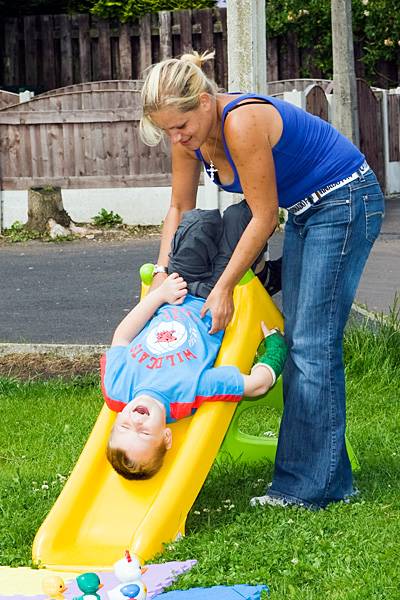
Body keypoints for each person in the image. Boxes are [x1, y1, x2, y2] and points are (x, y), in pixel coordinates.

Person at [139, 51, 385, 508]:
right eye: (167, 129)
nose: (177, 137)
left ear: (206, 101)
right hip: (306, 210)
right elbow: (180, 208)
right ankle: (329, 479)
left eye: (181, 126)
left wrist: (223, 287)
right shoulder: (186, 136)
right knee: (301, 341)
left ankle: (306, 490)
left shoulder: (241, 121)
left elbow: (265, 215)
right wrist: (163, 276)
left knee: (312, 343)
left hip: (345, 200)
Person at [101, 202, 287, 480]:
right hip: (216, 294)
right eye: (144, 432)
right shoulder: (187, 395)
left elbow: (122, 336)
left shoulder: (117, 387)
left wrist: (159, 295)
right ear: (166, 437)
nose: (136, 420)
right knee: (242, 218)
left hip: (178, 286)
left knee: (199, 222)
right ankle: (261, 266)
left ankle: (262, 271)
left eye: (125, 427)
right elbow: (257, 385)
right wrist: (275, 348)